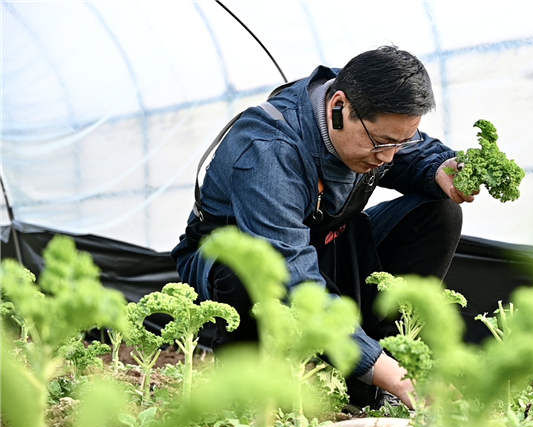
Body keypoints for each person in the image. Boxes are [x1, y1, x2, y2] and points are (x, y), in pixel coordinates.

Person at [171, 46, 478, 408]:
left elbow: (410, 152)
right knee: (250, 271)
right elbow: (290, 272)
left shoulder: (368, 110)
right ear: (339, 108)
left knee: (438, 213)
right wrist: (398, 377)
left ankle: (375, 368)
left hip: (325, 240)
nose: (388, 157)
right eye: (381, 143)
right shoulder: (267, 150)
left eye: (401, 140)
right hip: (241, 259)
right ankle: (252, 385)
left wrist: (440, 168)